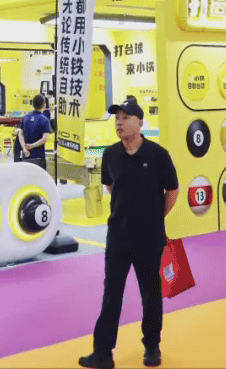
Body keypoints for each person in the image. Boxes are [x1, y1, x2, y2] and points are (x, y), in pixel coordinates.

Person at [80, 99, 178, 369]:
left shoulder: (158, 155)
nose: (119, 123)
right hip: (118, 237)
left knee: (151, 293)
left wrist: (155, 217)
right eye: (117, 118)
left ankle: (152, 346)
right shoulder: (110, 154)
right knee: (111, 293)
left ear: (140, 122)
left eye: (125, 117)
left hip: (149, 238)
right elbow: (111, 187)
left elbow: (172, 191)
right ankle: (103, 352)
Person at [17, 95, 52, 169]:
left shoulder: (25, 117)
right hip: (38, 156)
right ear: (44, 105)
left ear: (32, 104)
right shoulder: (45, 120)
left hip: (26, 154)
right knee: (38, 175)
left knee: (27, 174)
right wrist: (31, 146)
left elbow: (20, 134)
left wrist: (24, 147)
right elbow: (44, 139)